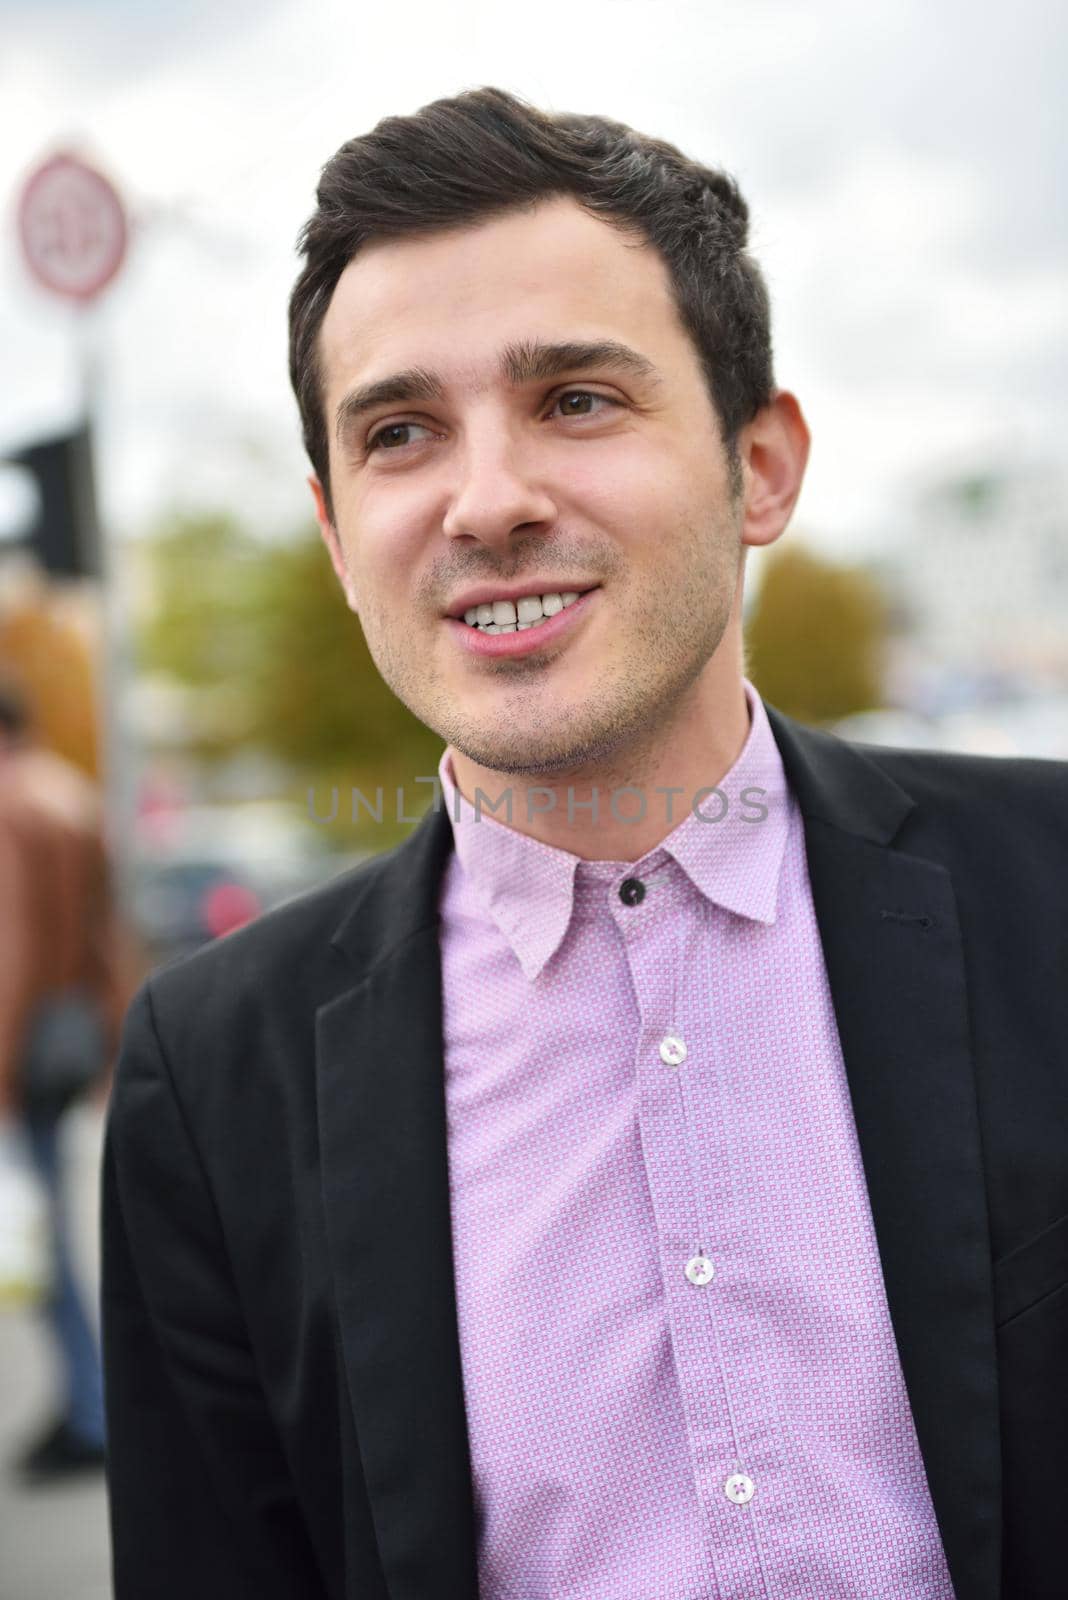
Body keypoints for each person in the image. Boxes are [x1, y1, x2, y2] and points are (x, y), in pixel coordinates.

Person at [100, 86, 1067, 1600]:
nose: (487, 502)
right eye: (401, 432)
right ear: (341, 534)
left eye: (576, 400)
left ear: (762, 466)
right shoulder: (215, 1076)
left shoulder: (1052, 895)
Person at [0, 680, 125, 1480]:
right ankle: (89, 1400)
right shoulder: (71, 794)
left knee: (33, 1233)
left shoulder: (10, 803)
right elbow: (110, 933)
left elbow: (10, 947)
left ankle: (90, 1405)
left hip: (25, 1045)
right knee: (45, 1227)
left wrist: (0, 1069)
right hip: (70, 1035)